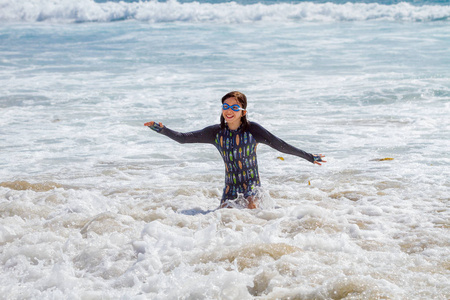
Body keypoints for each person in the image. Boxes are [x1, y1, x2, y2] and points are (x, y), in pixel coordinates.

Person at [144, 91, 326, 209]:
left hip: (252, 188)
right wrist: (163, 129)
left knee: (251, 214)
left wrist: (309, 157)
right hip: (230, 189)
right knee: (225, 220)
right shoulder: (215, 133)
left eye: (234, 107)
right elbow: (183, 139)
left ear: (243, 112)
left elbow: (280, 145)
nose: (229, 110)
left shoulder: (253, 130)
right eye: (226, 106)